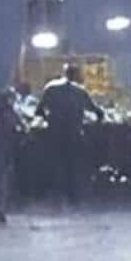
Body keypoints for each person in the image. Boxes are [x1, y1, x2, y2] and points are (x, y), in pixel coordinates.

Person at [36, 64, 105, 204]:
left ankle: (58, 193)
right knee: (74, 164)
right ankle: (74, 194)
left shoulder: (51, 88)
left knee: (57, 163)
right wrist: (97, 121)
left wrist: (49, 119)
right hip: (74, 133)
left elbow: (38, 111)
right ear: (76, 75)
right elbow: (97, 111)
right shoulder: (80, 91)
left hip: (55, 133)